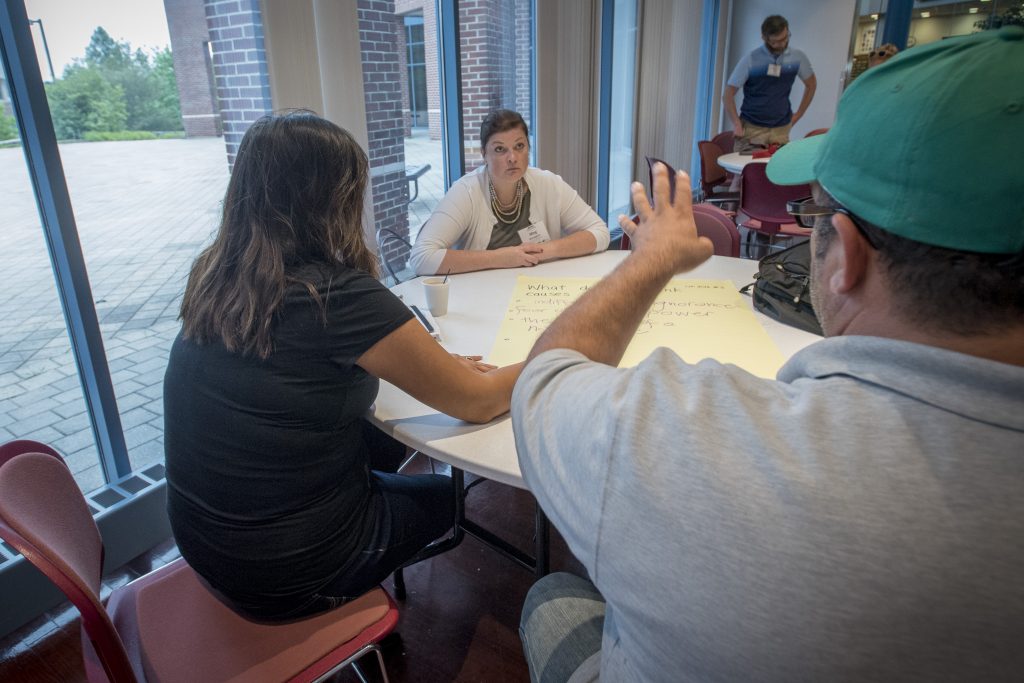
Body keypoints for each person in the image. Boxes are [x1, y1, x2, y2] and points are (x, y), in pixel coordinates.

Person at [515, 26, 1024, 682]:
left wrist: (652, 261)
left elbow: (544, 381)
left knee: (552, 597)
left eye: (812, 215)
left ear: (844, 254)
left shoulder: (682, 436)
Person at [164, 111, 522, 622]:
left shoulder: (220, 276)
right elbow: (478, 399)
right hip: (290, 576)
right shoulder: (332, 293)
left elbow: (295, 375)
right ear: (331, 199)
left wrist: (432, 366)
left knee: (386, 432)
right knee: (449, 494)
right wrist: (551, 358)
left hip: (210, 548)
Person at [409, 109, 610, 275]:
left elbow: (600, 233)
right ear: (484, 154)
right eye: (499, 149)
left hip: (537, 292)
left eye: (519, 146)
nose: (512, 157)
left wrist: (543, 251)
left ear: (528, 148)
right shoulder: (466, 192)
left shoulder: (549, 184)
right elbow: (421, 257)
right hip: (480, 297)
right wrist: (501, 258)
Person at [723, 15, 816, 153]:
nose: (782, 44)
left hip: (781, 130)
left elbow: (811, 84)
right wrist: (736, 123)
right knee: (748, 172)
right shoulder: (750, 59)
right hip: (751, 129)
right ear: (764, 38)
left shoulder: (798, 57)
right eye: (776, 42)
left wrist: (799, 114)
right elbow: (728, 94)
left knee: (775, 173)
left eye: (785, 38)